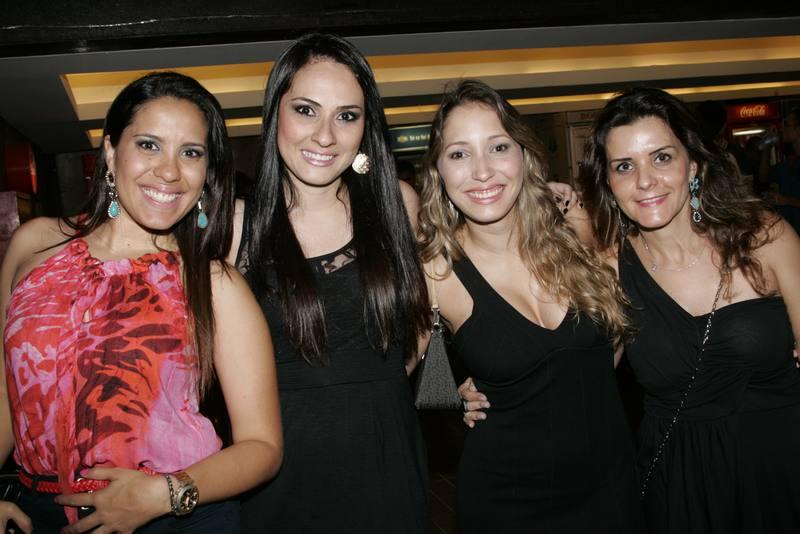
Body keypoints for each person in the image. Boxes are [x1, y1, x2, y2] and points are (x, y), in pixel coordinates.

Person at [465, 86, 800, 534]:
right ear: (608, 181)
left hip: (783, 469)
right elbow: (572, 368)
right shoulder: (609, 269)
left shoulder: (764, 237)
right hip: (681, 484)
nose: (645, 180)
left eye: (661, 157)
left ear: (693, 165)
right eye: (624, 166)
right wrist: (486, 385)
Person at [0, 72, 283, 533]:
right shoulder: (34, 245)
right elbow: (6, 392)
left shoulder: (215, 284)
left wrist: (165, 493)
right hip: (39, 514)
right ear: (111, 153)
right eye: (149, 145)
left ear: (207, 173)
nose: (169, 171)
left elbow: (263, 447)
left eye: (190, 153)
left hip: (172, 517)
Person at [418, 79, 643, 534]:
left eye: (499, 147)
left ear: (525, 156)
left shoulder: (576, 236)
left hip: (611, 486)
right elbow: (397, 376)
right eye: (459, 154)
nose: (482, 171)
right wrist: (454, 398)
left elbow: (612, 342)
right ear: (438, 171)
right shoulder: (434, 270)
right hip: (507, 502)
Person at [235, 34, 430, 533]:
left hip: (387, 464)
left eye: (347, 116)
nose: (325, 136)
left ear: (366, 127)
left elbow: (424, 323)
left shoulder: (398, 205)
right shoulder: (235, 227)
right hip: (282, 474)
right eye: (305, 110)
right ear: (274, 113)